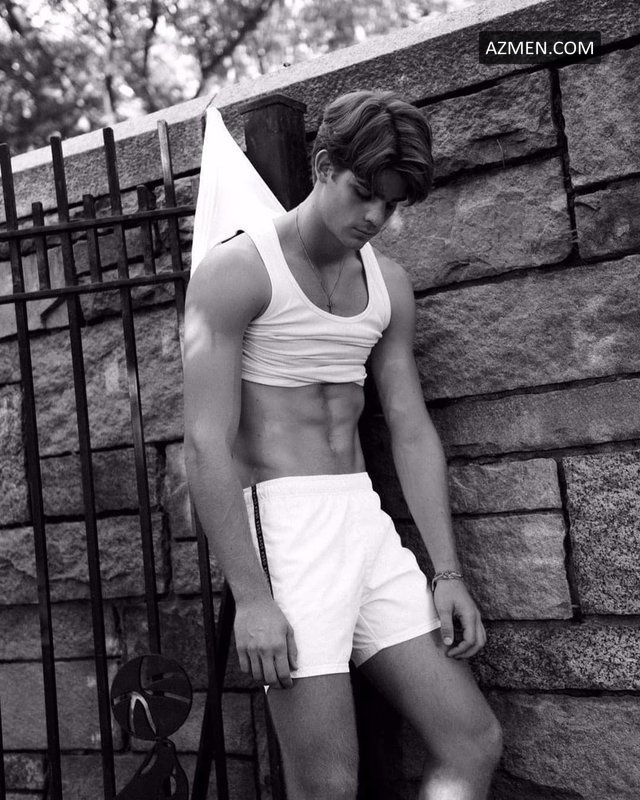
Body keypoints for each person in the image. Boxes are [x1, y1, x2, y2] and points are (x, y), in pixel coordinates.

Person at [183, 90, 502, 800]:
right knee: (326, 784)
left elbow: (410, 427)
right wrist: (252, 598)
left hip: (365, 521)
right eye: (364, 194)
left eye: (392, 204)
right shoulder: (237, 272)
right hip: (286, 530)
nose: (375, 218)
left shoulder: (388, 285)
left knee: (471, 742)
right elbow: (204, 445)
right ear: (323, 166)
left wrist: (447, 573)